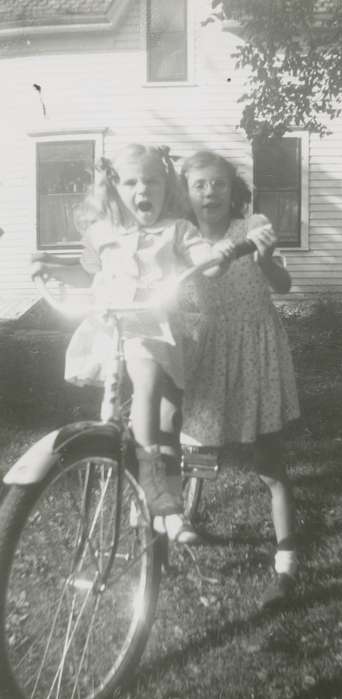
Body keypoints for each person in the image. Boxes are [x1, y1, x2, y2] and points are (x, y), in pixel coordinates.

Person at [31, 144, 230, 544]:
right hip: (114, 330)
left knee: (160, 406)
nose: (143, 190)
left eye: (152, 181)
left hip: (159, 331)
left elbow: (203, 258)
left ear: (166, 186)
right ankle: (137, 479)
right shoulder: (105, 234)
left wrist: (217, 254)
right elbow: (91, 274)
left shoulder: (177, 229)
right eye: (132, 182)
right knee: (135, 392)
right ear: (115, 188)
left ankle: (160, 497)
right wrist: (48, 265)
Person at [180, 150, 300, 605]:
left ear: (234, 192)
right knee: (197, 441)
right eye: (199, 185)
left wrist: (266, 258)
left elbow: (282, 285)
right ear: (185, 193)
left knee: (268, 460)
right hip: (208, 350)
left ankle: (287, 558)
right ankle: (185, 519)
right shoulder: (180, 238)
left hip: (255, 349)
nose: (210, 192)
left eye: (219, 184)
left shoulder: (252, 227)